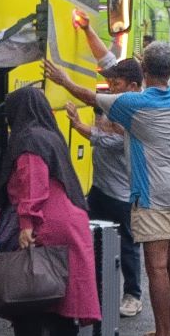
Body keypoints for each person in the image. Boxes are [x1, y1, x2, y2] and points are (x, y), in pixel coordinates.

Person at [0, 87, 100, 336]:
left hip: (46, 223)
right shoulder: (50, 136)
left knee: (29, 297)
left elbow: (32, 185)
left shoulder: (28, 140)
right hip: (71, 222)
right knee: (57, 296)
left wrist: (27, 224)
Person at [95, 42, 170, 336]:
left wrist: (62, 80)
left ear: (145, 70)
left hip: (154, 195)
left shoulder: (135, 103)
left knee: (157, 267)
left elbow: (90, 96)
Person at [45, 56, 146, 319]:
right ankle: (91, 292)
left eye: (117, 83)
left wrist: (80, 126)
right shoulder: (116, 102)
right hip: (100, 188)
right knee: (88, 238)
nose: (111, 87)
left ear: (134, 86)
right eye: (110, 82)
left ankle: (133, 295)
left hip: (124, 192)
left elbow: (114, 141)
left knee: (128, 245)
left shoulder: (136, 109)